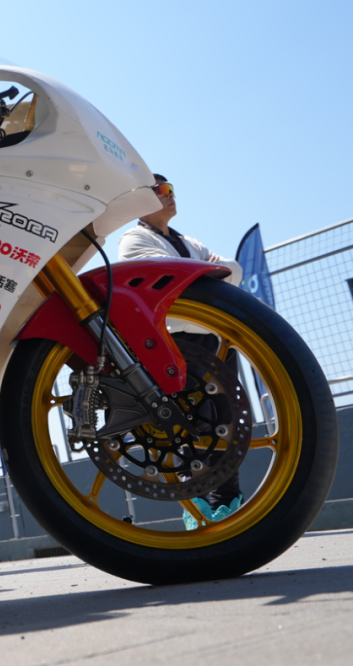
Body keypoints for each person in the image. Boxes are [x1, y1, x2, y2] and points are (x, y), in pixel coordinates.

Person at [118, 175, 245, 529]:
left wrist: (198, 277)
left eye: (170, 189)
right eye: (159, 191)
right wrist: (208, 275)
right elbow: (166, 282)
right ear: (140, 200)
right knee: (192, 425)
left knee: (229, 422)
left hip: (216, 339)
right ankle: (200, 512)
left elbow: (233, 269)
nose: (169, 195)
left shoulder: (189, 241)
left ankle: (228, 506)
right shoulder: (134, 239)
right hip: (177, 343)